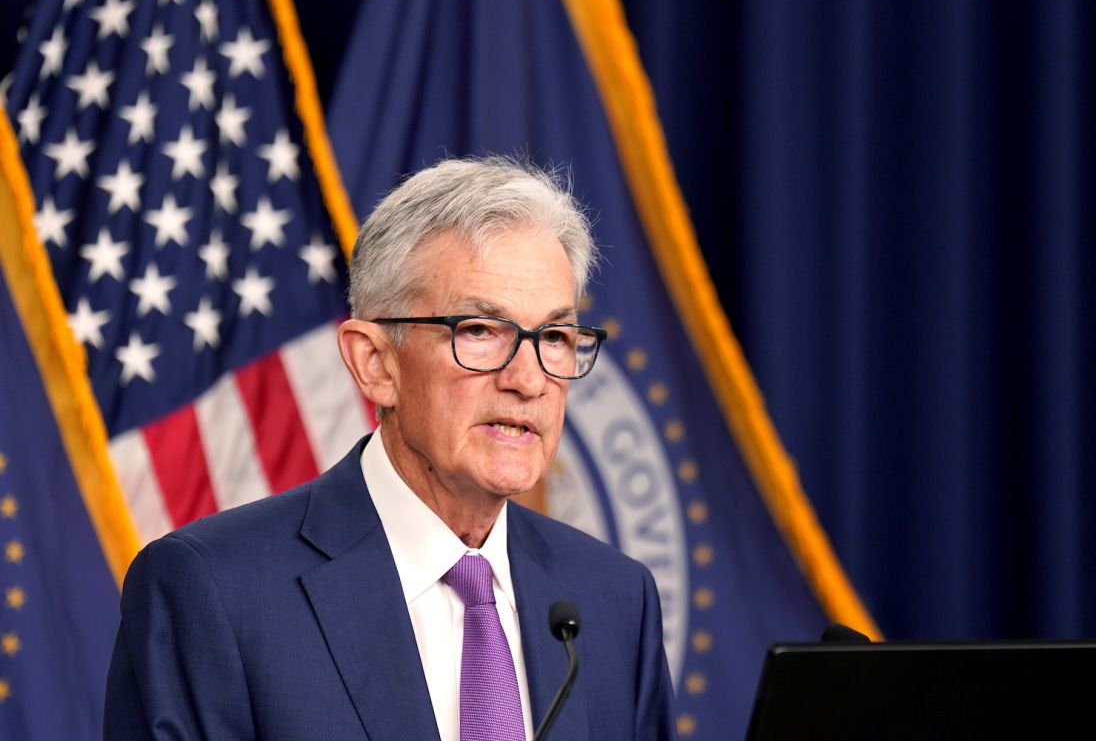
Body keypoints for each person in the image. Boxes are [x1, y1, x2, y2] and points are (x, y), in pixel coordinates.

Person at [104, 157, 676, 740]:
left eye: (554, 337)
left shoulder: (613, 599)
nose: (528, 380)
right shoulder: (213, 592)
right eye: (478, 331)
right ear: (375, 363)